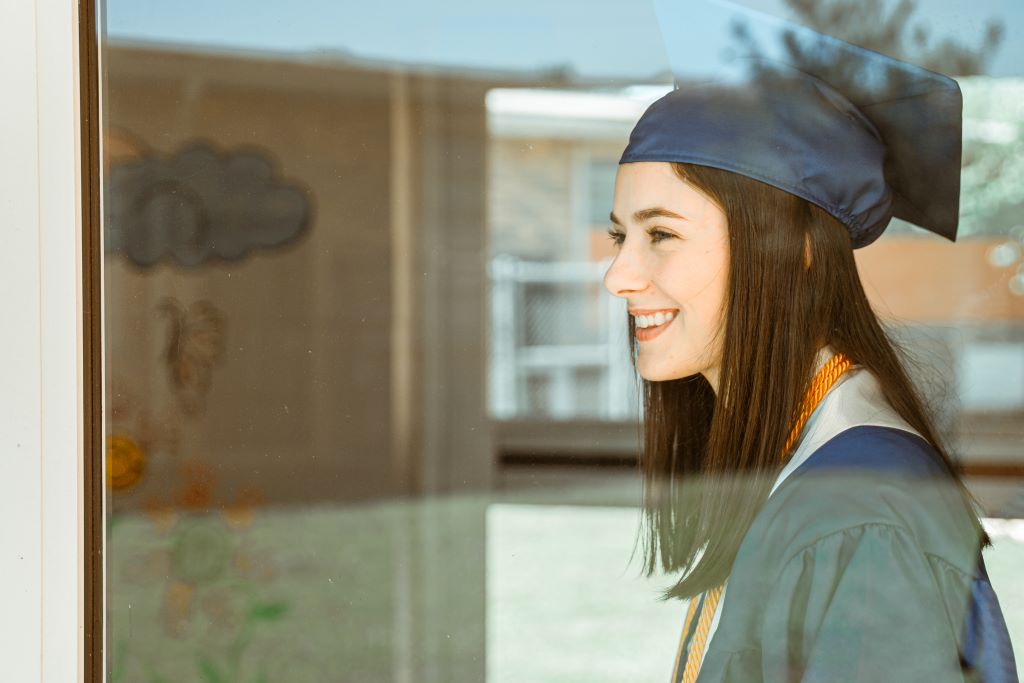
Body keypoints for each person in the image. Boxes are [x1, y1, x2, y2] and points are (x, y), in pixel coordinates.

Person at [601, 1, 1018, 681]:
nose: (618, 275)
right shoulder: (799, 465)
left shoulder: (865, 511)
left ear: (790, 246)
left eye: (661, 234)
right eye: (622, 235)